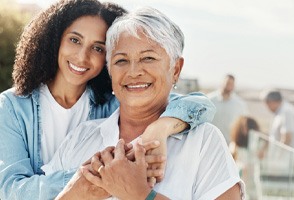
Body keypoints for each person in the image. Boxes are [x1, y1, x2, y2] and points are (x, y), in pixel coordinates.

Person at [0, 1, 216, 199]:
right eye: (74, 40)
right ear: (54, 40)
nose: (82, 56)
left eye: (98, 48)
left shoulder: (112, 102)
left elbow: (199, 104)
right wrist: (95, 176)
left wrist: (159, 129)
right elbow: (9, 190)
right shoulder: (12, 106)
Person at [43, 7, 245, 199]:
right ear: (110, 71)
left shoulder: (203, 142)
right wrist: (75, 194)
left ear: (175, 69)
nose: (133, 72)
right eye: (121, 61)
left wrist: (141, 195)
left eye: (148, 58)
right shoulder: (80, 137)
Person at [208, 74, 248, 144]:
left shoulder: (239, 104)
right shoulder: (209, 100)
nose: (228, 86)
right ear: (222, 83)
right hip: (210, 141)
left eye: (231, 84)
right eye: (227, 83)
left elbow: (243, 124)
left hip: (229, 144)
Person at [229, 116, 260, 200]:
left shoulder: (254, 147)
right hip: (238, 182)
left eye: (248, 129)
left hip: (251, 184)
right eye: (244, 128)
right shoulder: (234, 146)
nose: (246, 131)